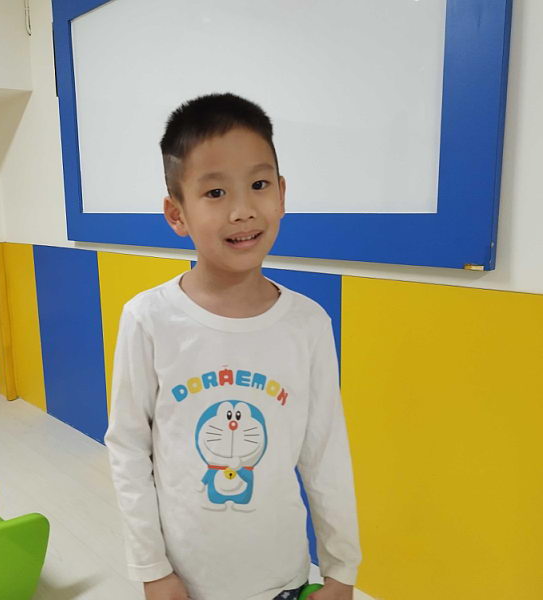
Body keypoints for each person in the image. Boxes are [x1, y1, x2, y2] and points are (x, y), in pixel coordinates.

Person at [105, 93, 361, 600]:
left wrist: (341, 569)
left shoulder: (308, 323)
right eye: (215, 192)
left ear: (281, 194)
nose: (243, 211)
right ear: (176, 214)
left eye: (259, 185)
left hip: (284, 576)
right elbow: (129, 449)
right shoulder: (148, 319)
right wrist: (152, 569)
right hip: (186, 580)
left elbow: (325, 453)